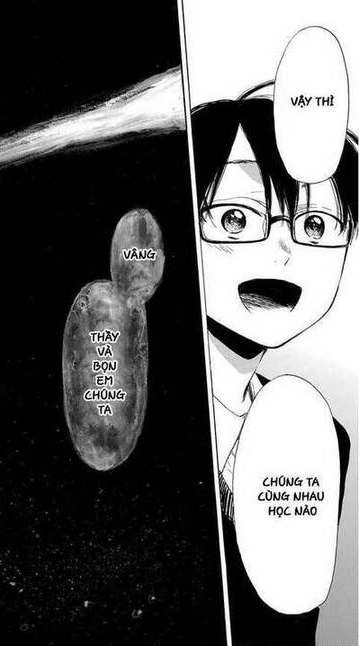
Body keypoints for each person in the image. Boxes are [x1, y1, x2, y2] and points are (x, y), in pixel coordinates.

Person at [192, 82, 355, 644]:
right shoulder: (120, 417)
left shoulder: (324, 440)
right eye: (236, 219)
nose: (283, 252)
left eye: (315, 227)